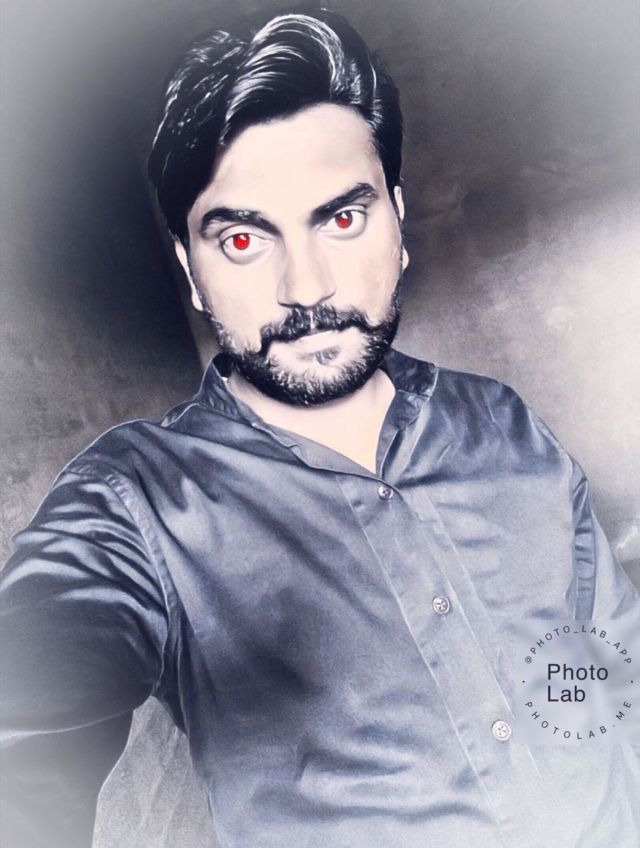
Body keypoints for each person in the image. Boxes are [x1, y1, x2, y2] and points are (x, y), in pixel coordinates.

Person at [1, 8, 639, 848]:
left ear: (397, 223)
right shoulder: (133, 505)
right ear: (192, 270)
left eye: (342, 220)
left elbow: (603, 664)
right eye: (242, 238)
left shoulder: (502, 423)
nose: (305, 288)